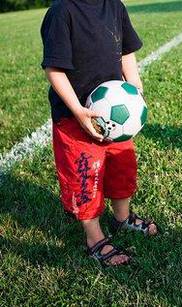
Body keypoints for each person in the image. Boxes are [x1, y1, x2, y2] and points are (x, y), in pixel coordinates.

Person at [41, 0, 158, 267]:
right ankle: (94, 238)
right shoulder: (62, 12)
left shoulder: (114, 5)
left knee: (122, 168)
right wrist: (79, 111)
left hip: (115, 119)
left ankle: (122, 217)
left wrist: (135, 86)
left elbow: (126, 51)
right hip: (76, 118)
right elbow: (54, 69)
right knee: (86, 178)